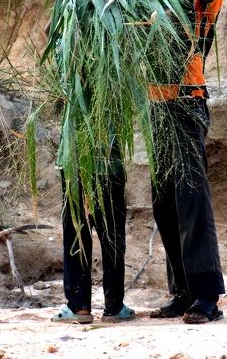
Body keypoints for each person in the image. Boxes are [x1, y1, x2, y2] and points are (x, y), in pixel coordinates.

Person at [111, 0, 227, 324]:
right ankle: (181, 291)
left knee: (191, 200)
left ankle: (206, 297)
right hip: (158, 107)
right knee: (164, 205)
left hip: (186, 103)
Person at [50, 137, 134, 324]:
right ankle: (114, 307)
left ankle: (78, 306)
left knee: (77, 232)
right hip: (109, 164)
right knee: (112, 234)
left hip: (75, 164)